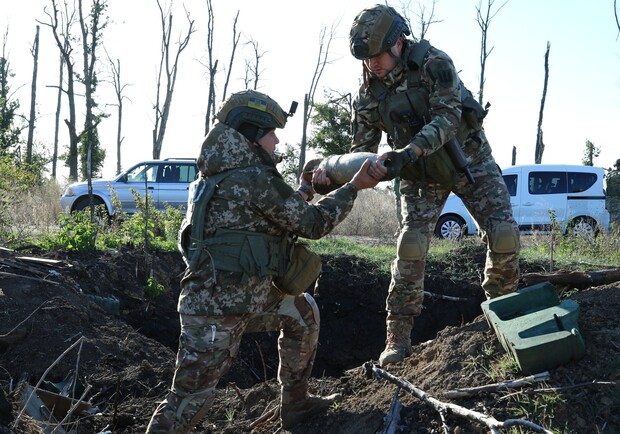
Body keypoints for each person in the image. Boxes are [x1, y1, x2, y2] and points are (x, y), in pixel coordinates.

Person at [146, 89, 382, 433]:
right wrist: (353, 188)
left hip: (244, 297)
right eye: (270, 133)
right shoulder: (251, 178)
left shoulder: (222, 175)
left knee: (303, 313)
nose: (275, 141)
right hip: (216, 311)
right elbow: (312, 224)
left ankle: (297, 405)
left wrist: (306, 189)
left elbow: (273, 216)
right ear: (252, 135)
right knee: (187, 403)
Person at [346, 4, 520, 367]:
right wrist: (347, 172)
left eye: (377, 55)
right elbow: (361, 150)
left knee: (503, 233)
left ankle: (503, 313)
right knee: (410, 247)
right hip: (419, 175)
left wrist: (409, 150)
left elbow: (448, 118)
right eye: (366, 59)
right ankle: (397, 338)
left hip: (467, 159)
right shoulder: (368, 92)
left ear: (397, 43)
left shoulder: (434, 63)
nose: (372, 64)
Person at [606, 159, 620, 230]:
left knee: (613, 222)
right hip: (617, 203)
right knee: (616, 225)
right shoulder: (617, 176)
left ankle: (611, 239)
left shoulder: (610, 174)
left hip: (610, 203)